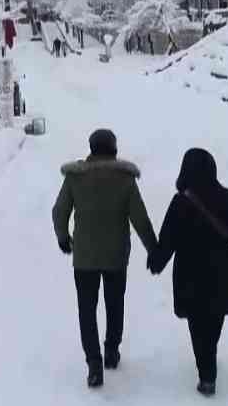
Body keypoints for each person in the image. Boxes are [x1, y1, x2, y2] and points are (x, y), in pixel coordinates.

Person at [52, 128, 159, 388]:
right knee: (114, 304)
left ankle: (94, 364)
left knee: (86, 310)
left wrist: (63, 238)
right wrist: (153, 249)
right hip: (116, 257)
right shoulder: (125, 178)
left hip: (84, 258)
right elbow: (140, 219)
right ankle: (111, 351)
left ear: (91, 148)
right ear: (113, 148)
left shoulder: (75, 177)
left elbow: (59, 211)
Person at [148, 148, 228, 397]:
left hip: (190, 275)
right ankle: (209, 363)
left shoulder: (180, 201)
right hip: (222, 273)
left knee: (197, 326)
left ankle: (207, 374)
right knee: (214, 321)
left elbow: (168, 238)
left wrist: (157, 261)